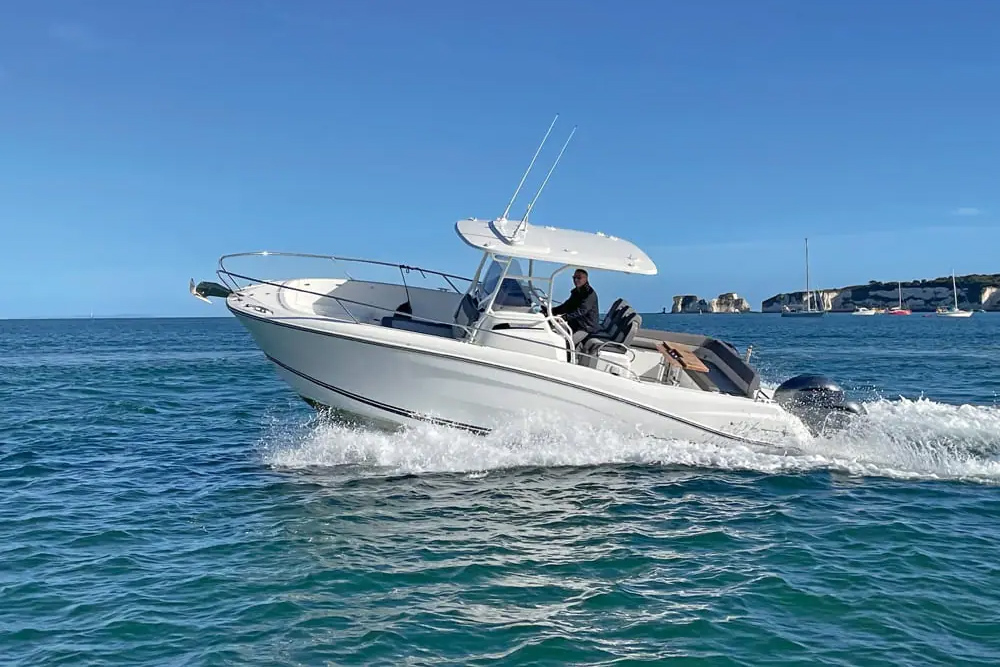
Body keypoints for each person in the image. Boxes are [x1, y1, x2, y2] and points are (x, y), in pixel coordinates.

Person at [551, 268, 599, 343]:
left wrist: (564, 317)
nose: (576, 280)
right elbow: (567, 305)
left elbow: (581, 311)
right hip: (576, 324)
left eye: (579, 278)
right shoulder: (577, 292)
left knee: (568, 344)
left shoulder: (589, 294)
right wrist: (552, 311)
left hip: (586, 328)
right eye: (574, 278)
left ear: (586, 279)